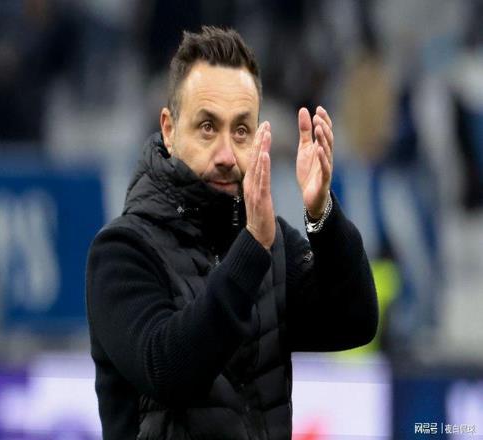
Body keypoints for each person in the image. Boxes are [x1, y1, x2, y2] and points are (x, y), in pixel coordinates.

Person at [86, 26, 378, 440]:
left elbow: (355, 321)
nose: (226, 155)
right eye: (207, 127)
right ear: (169, 129)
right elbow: (168, 372)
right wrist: (251, 250)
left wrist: (322, 214)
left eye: (241, 130)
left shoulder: (270, 243)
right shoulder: (121, 251)